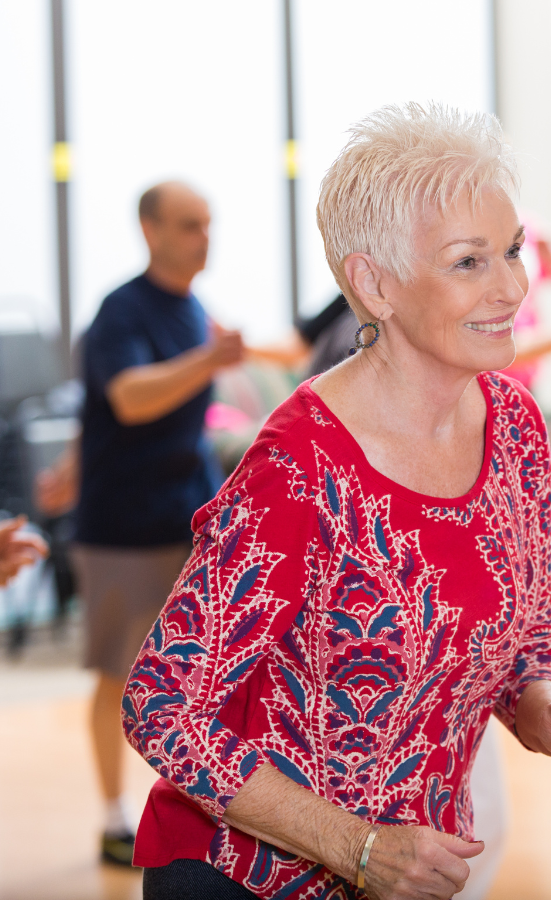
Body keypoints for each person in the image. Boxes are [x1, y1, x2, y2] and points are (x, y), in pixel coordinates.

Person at [123, 102, 551, 899]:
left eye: (512, 250)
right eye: (469, 262)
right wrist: (356, 846)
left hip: (407, 873)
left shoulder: (518, 427)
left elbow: (526, 642)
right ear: (374, 284)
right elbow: (162, 706)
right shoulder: (301, 462)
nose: (511, 287)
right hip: (247, 879)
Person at [71, 181, 245, 866]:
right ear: (149, 229)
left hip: (186, 520)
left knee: (196, 675)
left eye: (208, 223)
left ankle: (190, 808)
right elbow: (127, 397)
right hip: (123, 526)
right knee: (120, 671)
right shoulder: (123, 310)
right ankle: (114, 817)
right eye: (188, 224)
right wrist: (209, 358)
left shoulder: (193, 309)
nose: (204, 236)